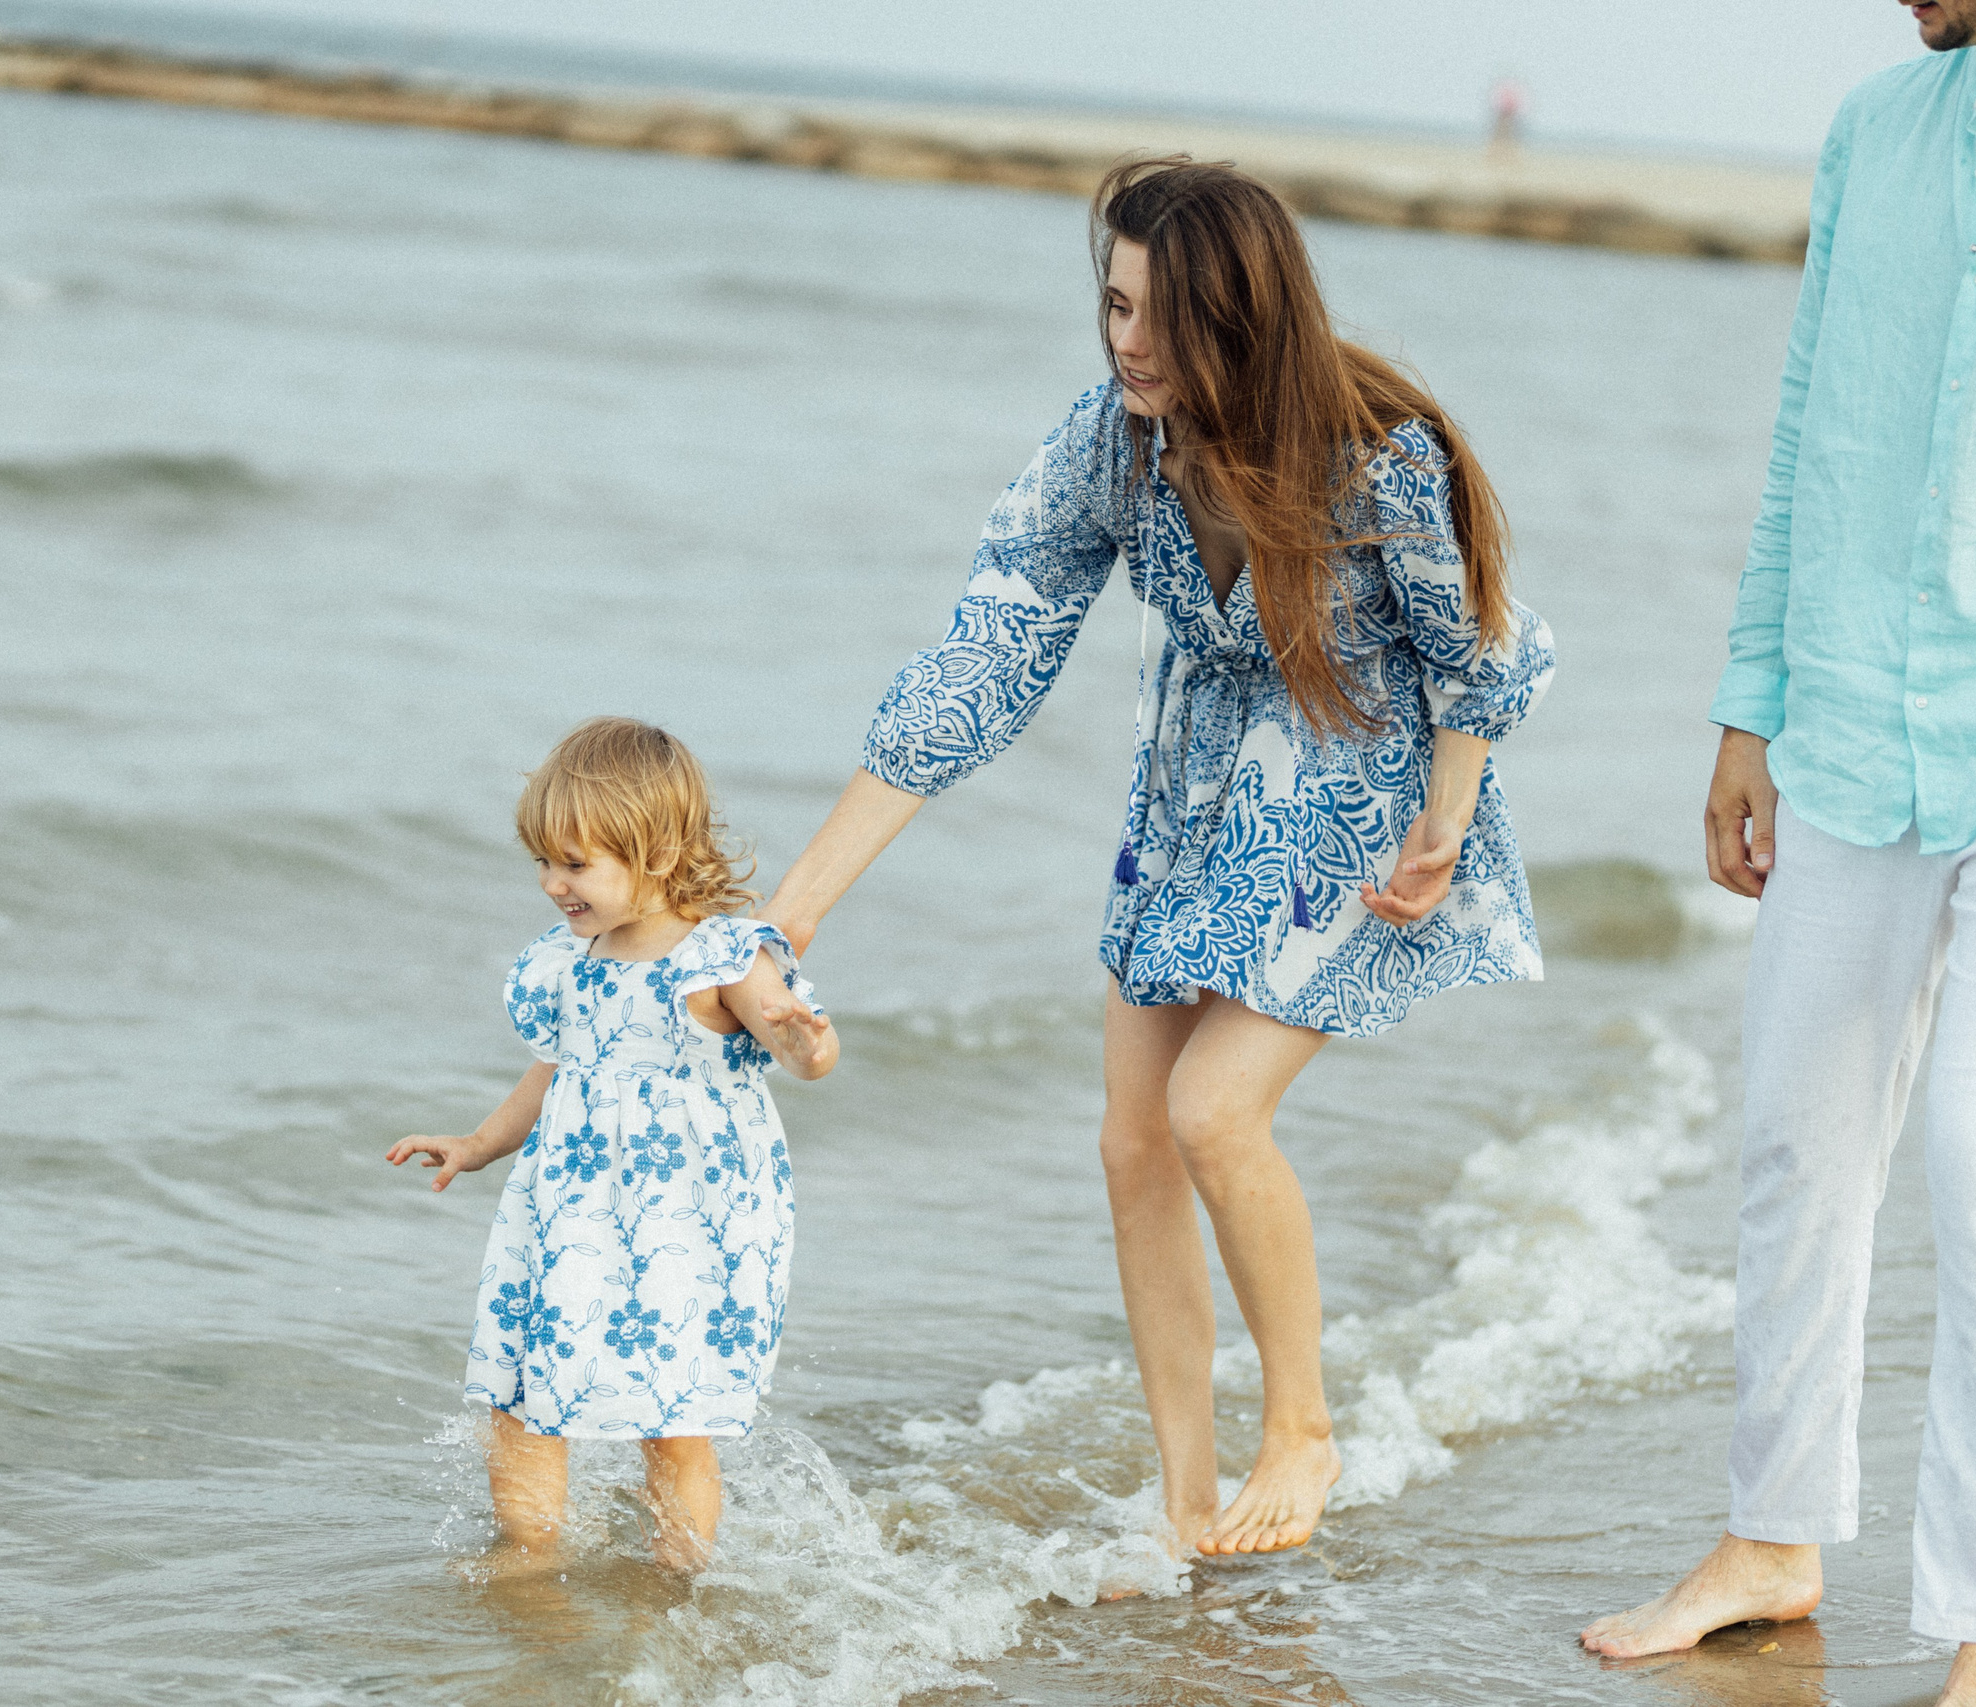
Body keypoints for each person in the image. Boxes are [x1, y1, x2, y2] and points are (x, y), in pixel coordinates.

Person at [759, 158, 1555, 1564]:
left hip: (1354, 788)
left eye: (1159, 314)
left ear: (1239, 316)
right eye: (1112, 303)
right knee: (1132, 1139)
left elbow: (1478, 648)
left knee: (1212, 1111)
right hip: (1190, 786)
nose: (1126, 338)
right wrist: (790, 917)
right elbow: (986, 652)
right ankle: (1188, 1502)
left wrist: (1446, 821)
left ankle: (1301, 1425)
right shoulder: (1114, 442)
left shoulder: (1380, 454)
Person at [1580, 3, 1976, 1702]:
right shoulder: (1873, 131)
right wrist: (1748, 700)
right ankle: (1772, 1538)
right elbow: (1810, 430)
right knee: (1796, 1140)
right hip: (1848, 721)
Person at [389, 717, 837, 1573]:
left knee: (671, 1413)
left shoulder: (724, 956)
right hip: (566, 1207)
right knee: (519, 1382)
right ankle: (530, 1551)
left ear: (658, 853)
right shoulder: (568, 961)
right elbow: (552, 1073)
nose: (555, 883)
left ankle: (681, 1568)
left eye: (575, 862)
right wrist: (478, 1143)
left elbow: (806, 1054)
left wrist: (806, 1040)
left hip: (685, 1218)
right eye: (544, 862)